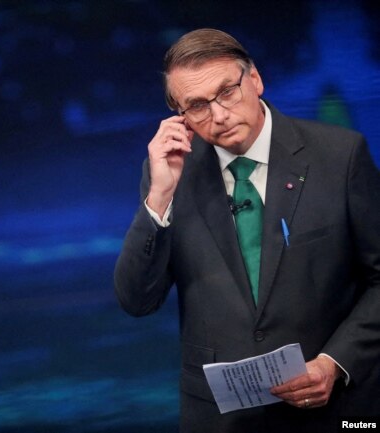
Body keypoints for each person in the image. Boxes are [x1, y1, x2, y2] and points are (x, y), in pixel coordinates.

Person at [114, 28, 380, 432]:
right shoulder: (170, 173)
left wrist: (335, 362)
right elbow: (136, 300)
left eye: (226, 92)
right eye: (197, 106)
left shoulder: (339, 156)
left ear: (254, 78)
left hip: (336, 410)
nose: (219, 115)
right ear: (179, 114)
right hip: (221, 420)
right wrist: (159, 197)